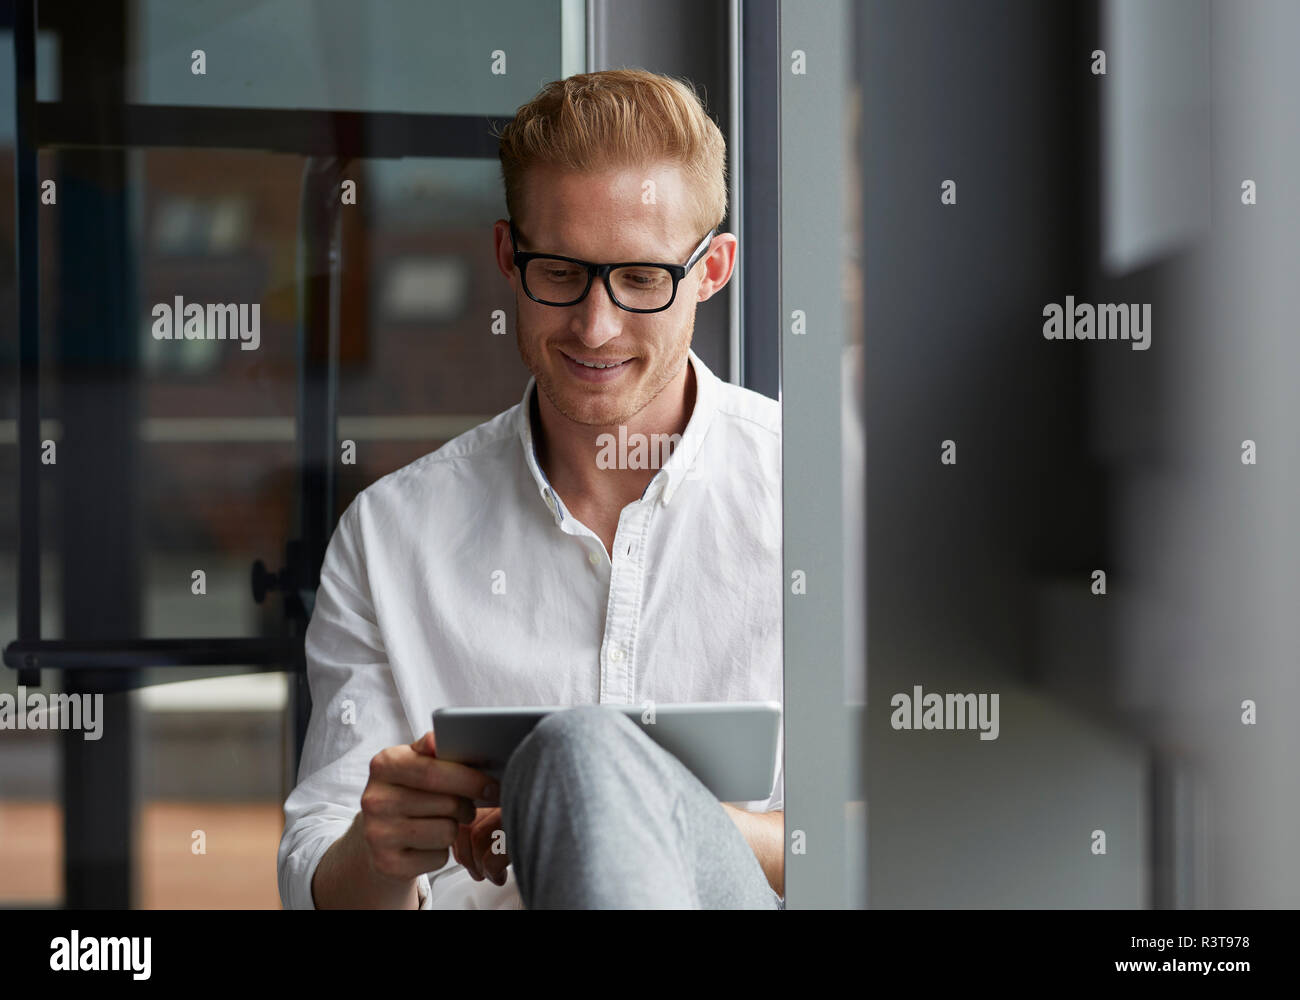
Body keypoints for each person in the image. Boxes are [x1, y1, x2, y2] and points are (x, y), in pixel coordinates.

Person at [277, 69, 784, 909]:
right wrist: (384, 856)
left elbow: (905, 826)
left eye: (642, 279)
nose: (595, 325)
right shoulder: (390, 536)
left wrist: (630, 808)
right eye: (561, 272)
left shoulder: (822, 503)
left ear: (712, 270)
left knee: (585, 753)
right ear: (510, 258)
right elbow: (318, 884)